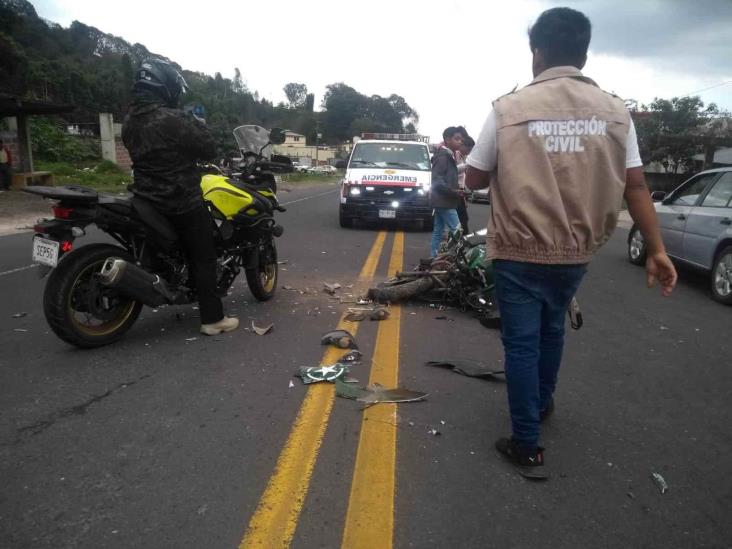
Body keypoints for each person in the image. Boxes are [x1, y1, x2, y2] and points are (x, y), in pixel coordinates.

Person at [466, 7, 677, 479]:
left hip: (519, 248)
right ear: (583, 53)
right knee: (552, 331)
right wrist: (657, 249)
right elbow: (637, 186)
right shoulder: (616, 111)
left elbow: (477, 177)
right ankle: (540, 405)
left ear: (536, 52)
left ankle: (526, 444)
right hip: (577, 252)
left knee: (520, 344)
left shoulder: (507, 108)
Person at [122, 58, 239, 336]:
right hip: (179, 201)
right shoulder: (173, 119)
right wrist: (196, 125)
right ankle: (212, 319)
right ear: (165, 87)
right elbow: (209, 148)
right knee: (204, 255)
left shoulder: (129, 123)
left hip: (144, 198)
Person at [430, 127, 464, 257]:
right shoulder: (444, 156)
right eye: (457, 139)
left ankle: (434, 258)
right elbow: (437, 180)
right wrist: (454, 192)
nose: (460, 142)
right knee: (458, 230)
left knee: (438, 231)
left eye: (461, 139)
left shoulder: (447, 155)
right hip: (444, 201)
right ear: (447, 140)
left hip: (441, 200)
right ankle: (456, 258)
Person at [456, 133, 475, 234]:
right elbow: (452, 170)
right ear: (463, 146)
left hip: (460, 192)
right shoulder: (455, 154)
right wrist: (466, 165)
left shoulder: (464, 157)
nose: (469, 152)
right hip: (454, 190)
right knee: (462, 220)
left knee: (463, 219)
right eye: (468, 149)